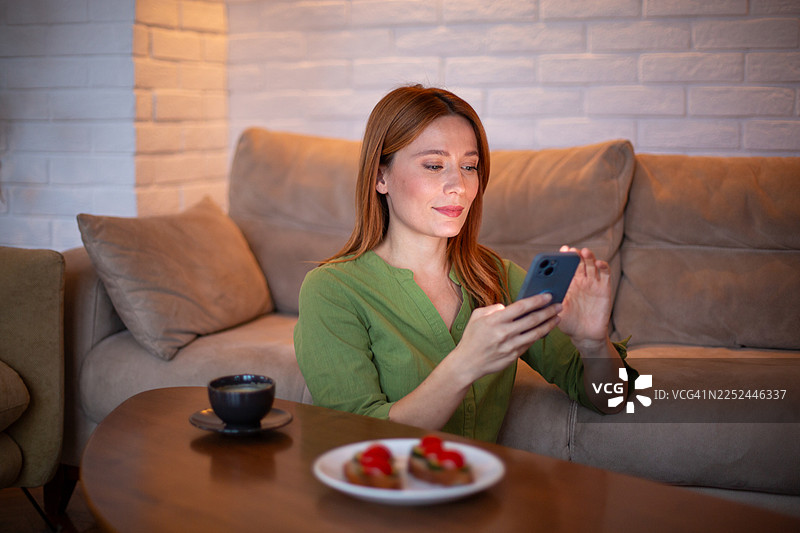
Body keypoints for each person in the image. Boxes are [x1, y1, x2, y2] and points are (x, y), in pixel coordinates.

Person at [294, 84, 635, 443]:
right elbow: (357, 438)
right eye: (434, 165)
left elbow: (611, 400)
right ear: (381, 177)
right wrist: (464, 364)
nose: (458, 184)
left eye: (469, 166)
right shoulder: (331, 290)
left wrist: (593, 343)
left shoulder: (496, 277)